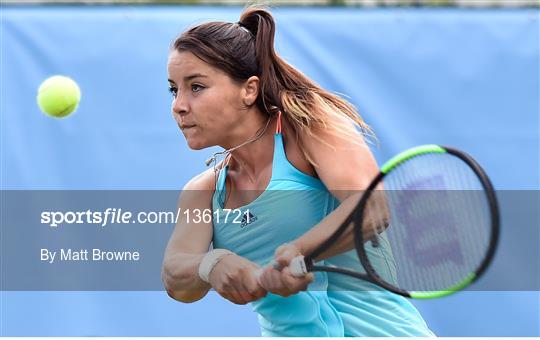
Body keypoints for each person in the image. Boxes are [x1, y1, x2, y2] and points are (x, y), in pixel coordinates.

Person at [162, 6, 434, 337]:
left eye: (196, 87)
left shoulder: (311, 128)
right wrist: (211, 264)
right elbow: (176, 277)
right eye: (174, 89)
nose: (179, 105)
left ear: (249, 89)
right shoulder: (203, 191)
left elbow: (372, 208)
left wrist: (298, 253)